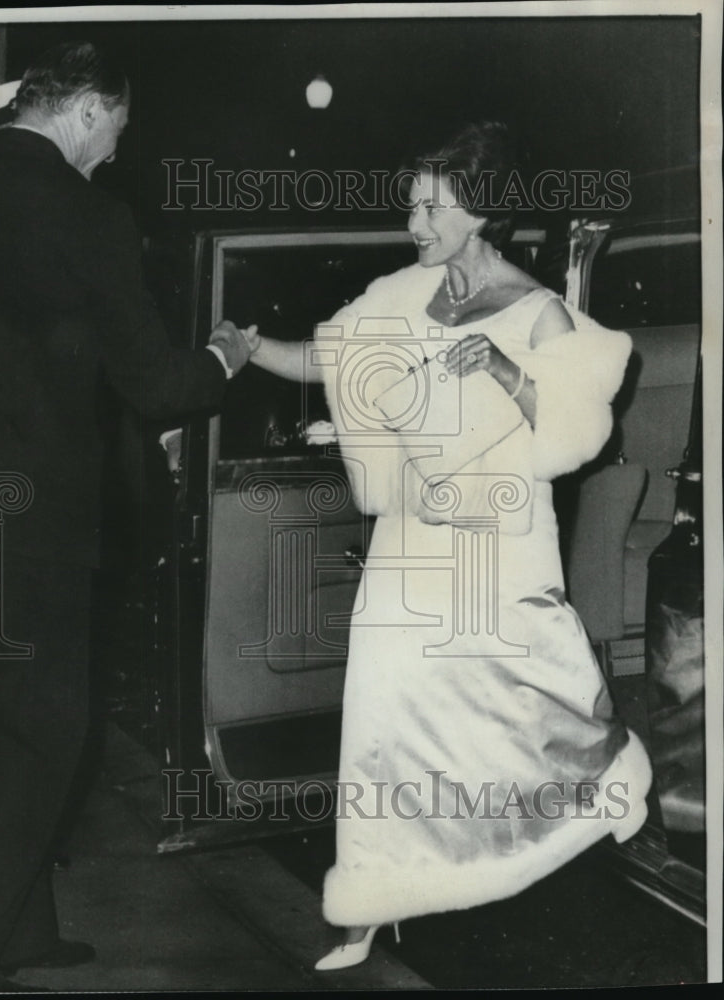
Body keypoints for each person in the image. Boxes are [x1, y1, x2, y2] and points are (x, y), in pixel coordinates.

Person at [242, 121, 652, 971]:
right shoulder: (400, 293)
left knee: (525, 699)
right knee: (383, 714)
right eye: (413, 205)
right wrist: (245, 350)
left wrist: (503, 372)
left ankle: (610, 774)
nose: (415, 222)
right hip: (411, 541)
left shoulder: (537, 309)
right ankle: (371, 897)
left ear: (484, 211)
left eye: (434, 207)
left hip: (500, 542)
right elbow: (326, 356)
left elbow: (581, 431)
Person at [0, 40, 253, 992]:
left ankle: (24, 929)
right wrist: (224, 355)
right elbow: (152, 382)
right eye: (118, 129)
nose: (115, 150)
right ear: (92, 111)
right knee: (49, 733)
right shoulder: (92, 215)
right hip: (38, 518)